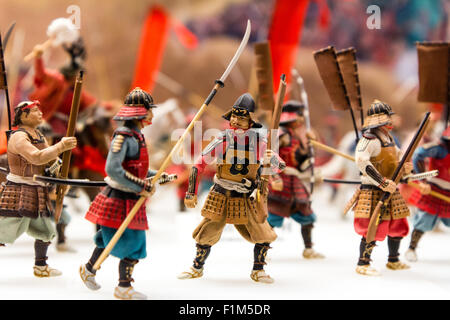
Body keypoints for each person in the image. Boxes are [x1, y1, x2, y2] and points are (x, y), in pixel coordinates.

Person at [177, 93, 285, 283]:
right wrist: (191, 192)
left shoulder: (260, 143)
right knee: (206, 234)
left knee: (263, 233)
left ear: (250, 121)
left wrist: (271, 159)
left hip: (244, 197)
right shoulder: (222, 139)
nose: (237, 121)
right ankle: (197, 266)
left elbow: (278, 167)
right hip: (220, 195)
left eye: (242, 118)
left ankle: (258, 270)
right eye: (235, 116)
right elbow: (198, 165)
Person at [78, 88, 173, 300]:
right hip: (119, 197)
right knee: (134, 243)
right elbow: (114, 170)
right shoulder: (122, 137)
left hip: (130, 197)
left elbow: (135, 168)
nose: (152, 115)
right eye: (149, 110)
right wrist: (141, 186)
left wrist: (158, 176)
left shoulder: (137, 136)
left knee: (106, 238)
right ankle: (123, 286)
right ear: (140, 112)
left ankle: (89, 268)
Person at [0, 100, 77, 277]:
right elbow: (36, 157)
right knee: (4, 231)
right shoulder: (19, 137)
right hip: (19, 189)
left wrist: (60, 175)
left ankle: (41, 267)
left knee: (46, 231)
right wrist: (61, 146)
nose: (40, 113)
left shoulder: (37, 134)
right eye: (35, 111)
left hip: (36, 190)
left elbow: (49, 158)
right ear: (24, 115)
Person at [346, 100, 413, 276]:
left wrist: (405, 168)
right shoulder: (369, 140)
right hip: (373, 190)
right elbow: (361, 161)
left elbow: (398, 157)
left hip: (391, 188)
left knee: (398, 224)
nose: (391, 122)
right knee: (372, 227)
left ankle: (393, 259)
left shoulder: (388, 138)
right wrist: (382, 182)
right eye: (388, 119)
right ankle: (363, 263)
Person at [267, 100, 324, 259]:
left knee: (306, 215)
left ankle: (308, 249)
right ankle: (262, 249)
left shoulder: (295, 136)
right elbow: (269, 154)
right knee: (273, 217)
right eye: (299, 116)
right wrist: (274, 175)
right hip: (281, 180)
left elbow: (302, 161)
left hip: (294, 180)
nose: (301, 119)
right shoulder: (281, 134)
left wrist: (312, 145)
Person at [405, 127, 450, 262]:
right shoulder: (439, 149)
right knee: (424, 220)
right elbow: (419, 154)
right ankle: (411, 248)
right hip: (434, 189)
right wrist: (422, 179)